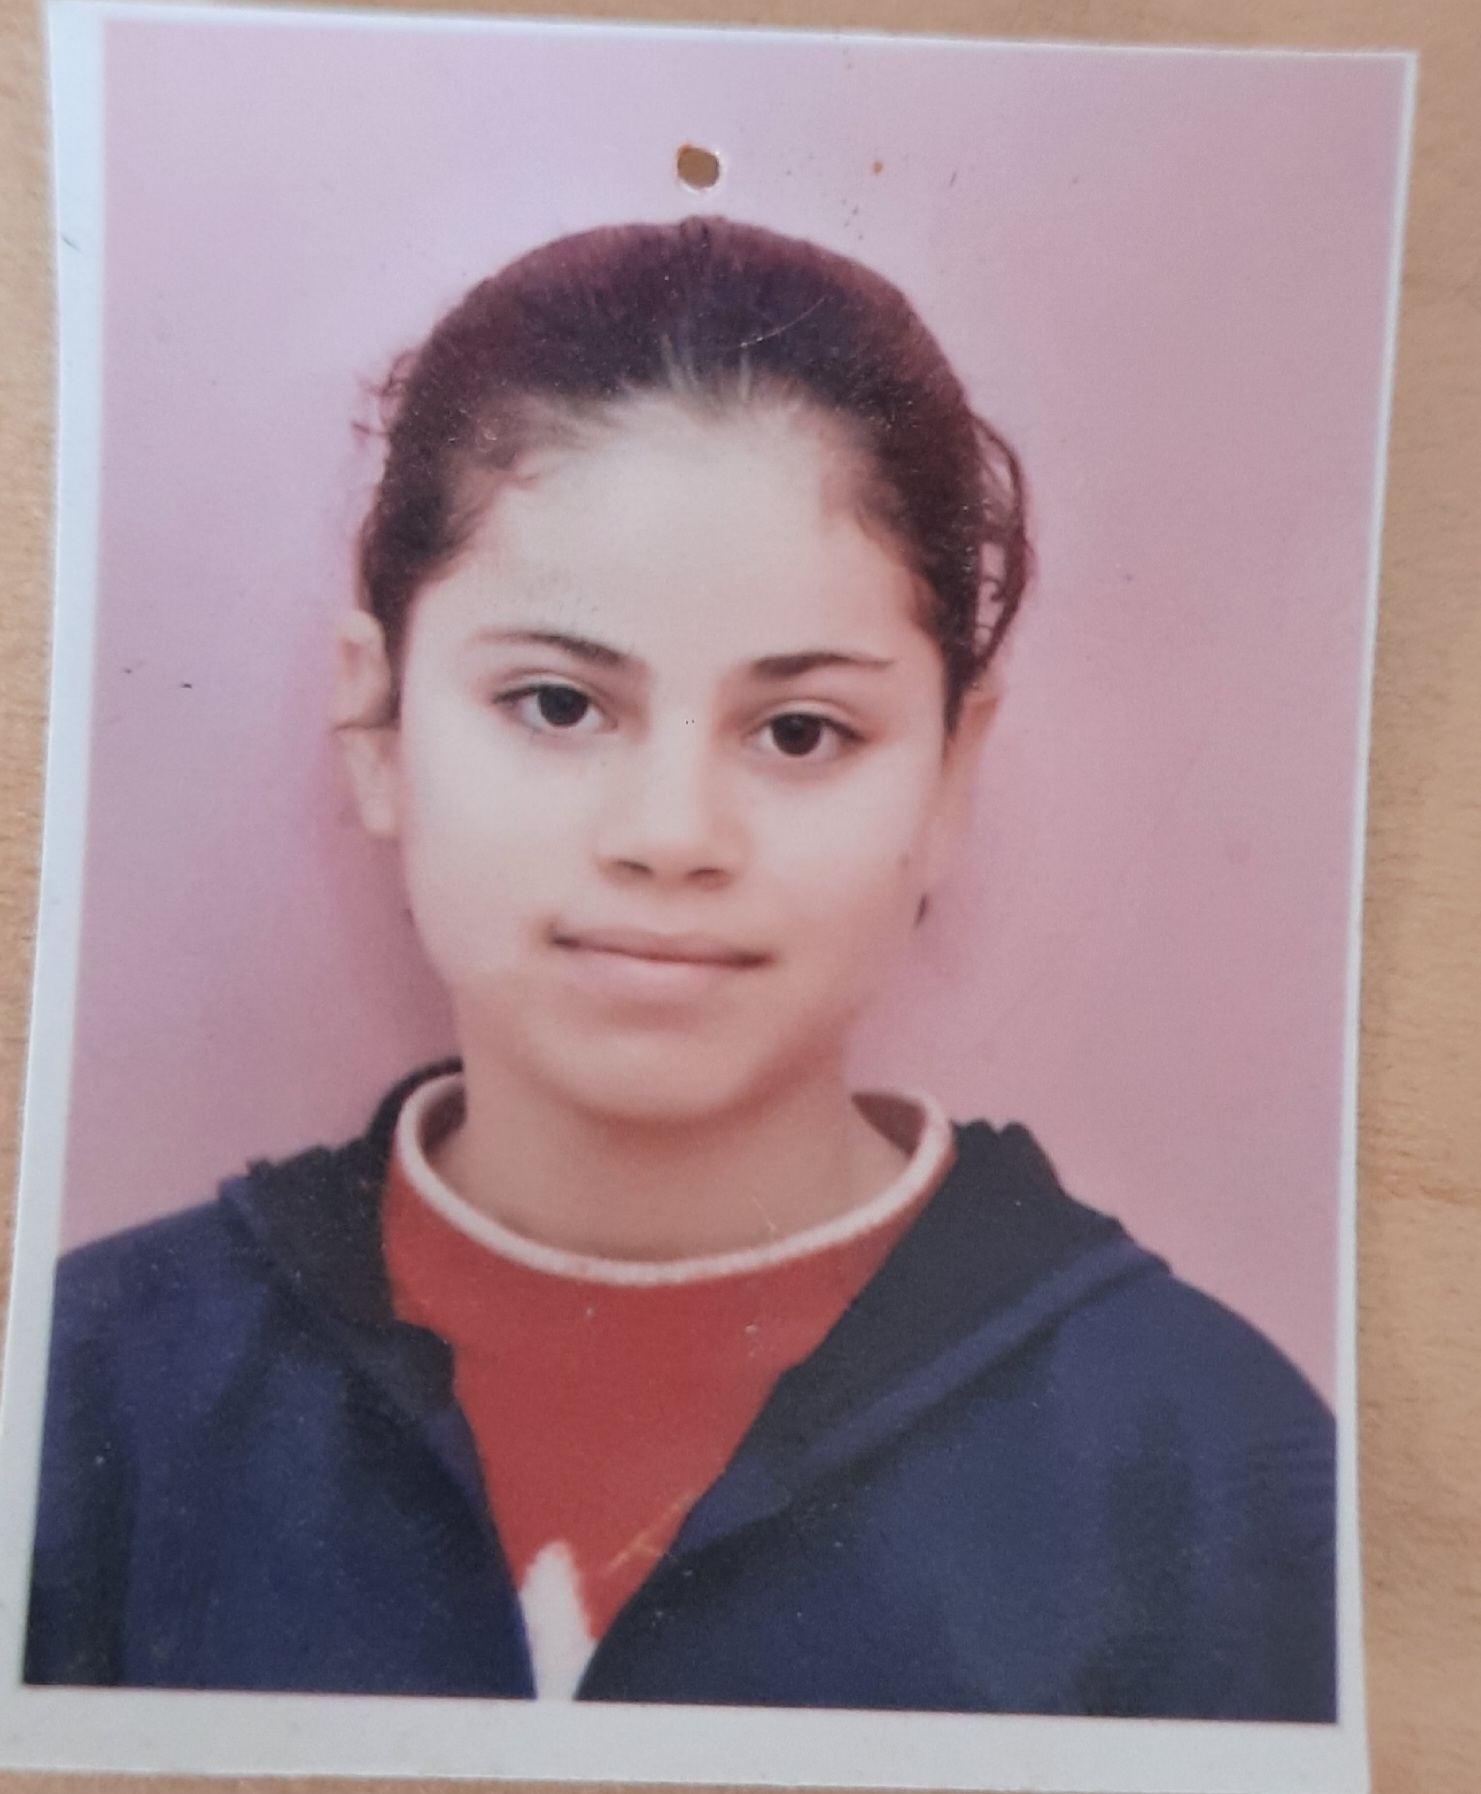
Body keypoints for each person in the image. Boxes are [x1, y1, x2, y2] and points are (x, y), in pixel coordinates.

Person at [25, 217, 1335, 1718]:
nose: (669, 837)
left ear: (952, 771)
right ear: (376, 721)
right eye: (556, 703)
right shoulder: (83, 1395)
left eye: (799, 731)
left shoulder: (1212, 1467)